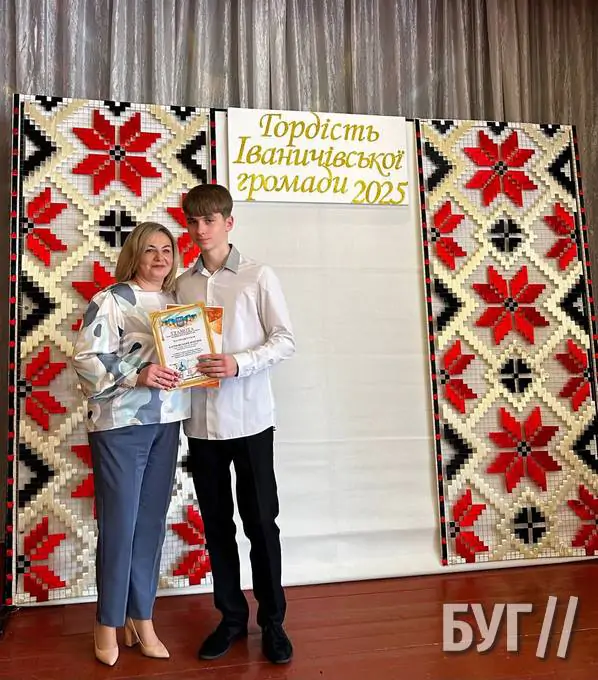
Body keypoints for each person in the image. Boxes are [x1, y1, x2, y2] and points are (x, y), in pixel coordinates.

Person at [175, 184, 295, 665]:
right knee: (217, 526)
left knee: (261, 523)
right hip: (200, 426)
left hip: (251, 421)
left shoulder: (258, 275)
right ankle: (230, 618)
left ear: (229, 222)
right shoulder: (182, 285)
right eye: (193, 221)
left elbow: (285, 340)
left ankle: (274, 622)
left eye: (209, 220)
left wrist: (239, 363)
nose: (200, 229)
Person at [71, 222, 189, 666]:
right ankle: (107, 623)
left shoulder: (178, 303)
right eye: (150, 250)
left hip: (168, 421)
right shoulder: (112, 299)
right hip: (120, 424)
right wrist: (137, 375)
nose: (160, 258)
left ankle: (142, 618)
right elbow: (86, 358)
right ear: (134, 255)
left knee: (151, 525)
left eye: (167, 250)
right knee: (119, 525)